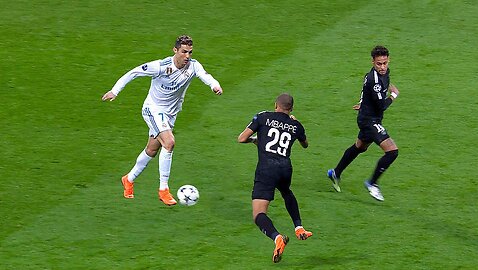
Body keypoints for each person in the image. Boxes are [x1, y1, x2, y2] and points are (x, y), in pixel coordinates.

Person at [102, 35, 223, 205]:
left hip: (170, 114)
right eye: (183, 52)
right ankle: (163, 189)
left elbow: (206, 76)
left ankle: (128, 179)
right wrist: (115, 90)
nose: (187, 56)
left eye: (190, 52)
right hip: (153, 110)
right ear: (175, 50)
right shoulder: (160, 66)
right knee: (169, 142)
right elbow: (134, 72)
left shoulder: (193, 66)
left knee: (152, 150)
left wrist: (214, 85)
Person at [238, 93, 312, 263]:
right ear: (291, 109)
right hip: (285, 168)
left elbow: (241, 138)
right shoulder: (296, 125)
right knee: (286, 191)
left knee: (258, 214)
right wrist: (295, 123)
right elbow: (305, 144)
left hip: (266, 169)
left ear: (275, 105)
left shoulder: (263, 117)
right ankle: (299, 227)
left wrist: (256, 140)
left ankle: (277, 238)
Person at [327, 45, 399, 201]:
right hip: (369, 120)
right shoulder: (374, 80)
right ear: (372, 62)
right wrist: (393, 95)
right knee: (392, 151)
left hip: (369, 115)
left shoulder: (384, 74)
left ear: (388, 60)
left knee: (360, 147)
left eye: (385, 63)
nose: (382, 67)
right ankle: (372, 183)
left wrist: (363, 102)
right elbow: (382, 105)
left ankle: (335, 172)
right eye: (379, 63)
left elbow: (364, 92)